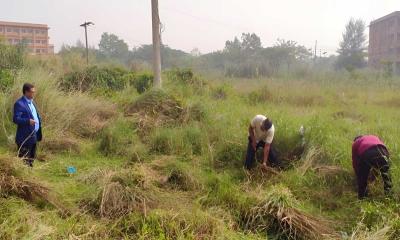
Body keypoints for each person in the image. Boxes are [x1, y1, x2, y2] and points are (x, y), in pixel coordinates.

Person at [13, 83, 42, 167]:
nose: (34, 94)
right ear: (26, 92)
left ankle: (30, 174)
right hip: (24, 138)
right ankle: (24, 177)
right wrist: (27, 121)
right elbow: (15, 119)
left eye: (34, 92)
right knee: (24, 160)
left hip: (34, 136)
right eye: (32, 92)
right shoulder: (19, 104)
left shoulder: (32, 102)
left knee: (31, 159)